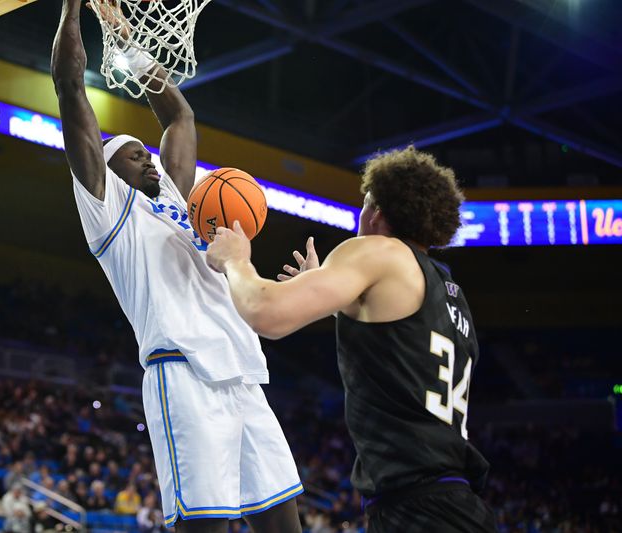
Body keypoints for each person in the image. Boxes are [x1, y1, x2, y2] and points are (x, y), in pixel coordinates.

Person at [50, 1, 303, 531]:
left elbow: (179, 115)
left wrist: (125, 39)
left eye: (148, 152)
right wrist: (73, 8)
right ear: (108, 168)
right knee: (204, 525)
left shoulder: (178, 193)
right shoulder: (108, 209)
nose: (148, 159)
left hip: (242, 374)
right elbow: (71, 88)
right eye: (134, 155)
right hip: (182, 372)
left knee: (284, 525)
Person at [206, 146, 496, 531]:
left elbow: (264, 313)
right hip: (456, 503)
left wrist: (235, 260)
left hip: (418, 509)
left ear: (375, 208)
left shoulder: (376, 250)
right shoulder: (446, 287)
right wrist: (325, 294)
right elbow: (398, 343)